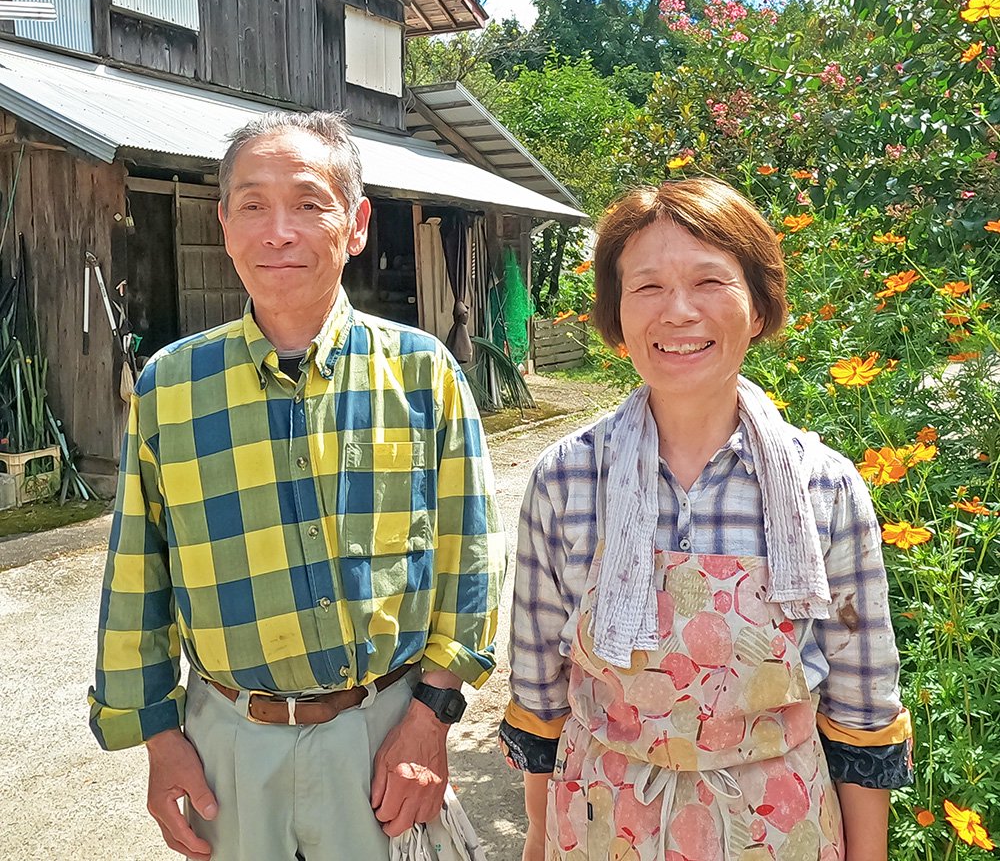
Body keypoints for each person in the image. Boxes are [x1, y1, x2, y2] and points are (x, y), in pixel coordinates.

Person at [89, 110, 506, 861]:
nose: (278, 231)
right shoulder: (171, 387)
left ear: (354, 224)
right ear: (224, 225)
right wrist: (158, 737)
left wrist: (434, 716)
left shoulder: (421, 373)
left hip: (385, 731)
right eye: (252, 204)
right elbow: (136, 574)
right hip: (229, 745)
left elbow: (468, 559)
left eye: (309, 202)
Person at [500, 179, 912, 861]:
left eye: (709, 281)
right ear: (617, 313)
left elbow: (862, 710)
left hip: (779, 831)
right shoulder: (565, 480)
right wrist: (541, 842)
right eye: (648, 287)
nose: (679, 312)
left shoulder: (824, 488)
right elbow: (541, 700)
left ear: (756, 308)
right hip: (605, 824)